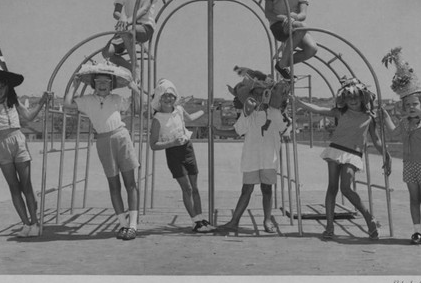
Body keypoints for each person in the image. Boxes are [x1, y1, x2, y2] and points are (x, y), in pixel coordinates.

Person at [294, 77, 391, 240]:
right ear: (344, 99)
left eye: (355, 96)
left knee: (346, 187)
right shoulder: (341, 112)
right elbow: (318, 109)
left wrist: (386, 155)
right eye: (348, 97)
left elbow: (376, 140)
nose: (352, 100)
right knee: (332, 187)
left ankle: (369, 218)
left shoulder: (369, 117)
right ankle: (330, 226)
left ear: (362, 97)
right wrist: (300, 103)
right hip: (335, 150)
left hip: (353, 154)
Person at [0, 41, 49, 238]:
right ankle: (25, 224)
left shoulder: (13, 102)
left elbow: (30, 117)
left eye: (2, 86)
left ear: (7, 87)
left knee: (26, 184)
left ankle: (35, 223)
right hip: (1, 146)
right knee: (13, 187)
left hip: (18, 141)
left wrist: (41, 102)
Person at [63, 61, 140, 241]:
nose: (103, 85)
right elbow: (67, 104)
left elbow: (137, 108)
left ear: (111, 85)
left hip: (121, 137)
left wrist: (134, 90)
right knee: (114, 185)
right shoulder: (87, 101)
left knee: (130, 183)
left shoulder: (117, 99)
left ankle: (133, 225)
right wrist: (74, 86)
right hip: (103, 141)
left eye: (106, 82)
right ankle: (123, 224)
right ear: (93, 84)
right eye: (99, 82)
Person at [219, 69, 290, 233]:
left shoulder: (275, 112)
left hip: (269, 159)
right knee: (246, 189)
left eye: (263, 93)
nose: (259, 97)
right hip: (251, 158)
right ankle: (234, 221)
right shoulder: (247, 114)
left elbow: (285, 130)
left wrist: (286, 116)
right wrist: (217, 132)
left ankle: (267, 220)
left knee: (267, 190)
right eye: (255, 94)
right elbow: (237, 131)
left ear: (268, 95)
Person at [381, 47, 421, 246]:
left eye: (415, 104)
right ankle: (416, 231)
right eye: (407, 105)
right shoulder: (404, 123)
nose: (411, 108)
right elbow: (392, 133)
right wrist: (386, 117)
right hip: (409, 166)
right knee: (414, 200)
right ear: (403, 108)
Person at [149, 79, 215, 233]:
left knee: (195, 188)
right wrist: (172, 143)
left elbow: (191, 118)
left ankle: (200, 219)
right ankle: (195, 221)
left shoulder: (178, 110)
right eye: (164, 96)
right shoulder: (157, 119)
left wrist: (206, 110)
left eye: (171, 95)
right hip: (173, 152)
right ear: (159, 98)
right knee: (187, 189)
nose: (168, 99)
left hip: (187, 148)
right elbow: (153, 145)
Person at [102, 0, 158, 82]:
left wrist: (127, 21)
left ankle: (136, 66)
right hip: (127, 28)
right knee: (107, 53)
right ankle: (131, 67)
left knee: (127, 30)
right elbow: (116, 12)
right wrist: (122, 18)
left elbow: (144, 9)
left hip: (144, 27)